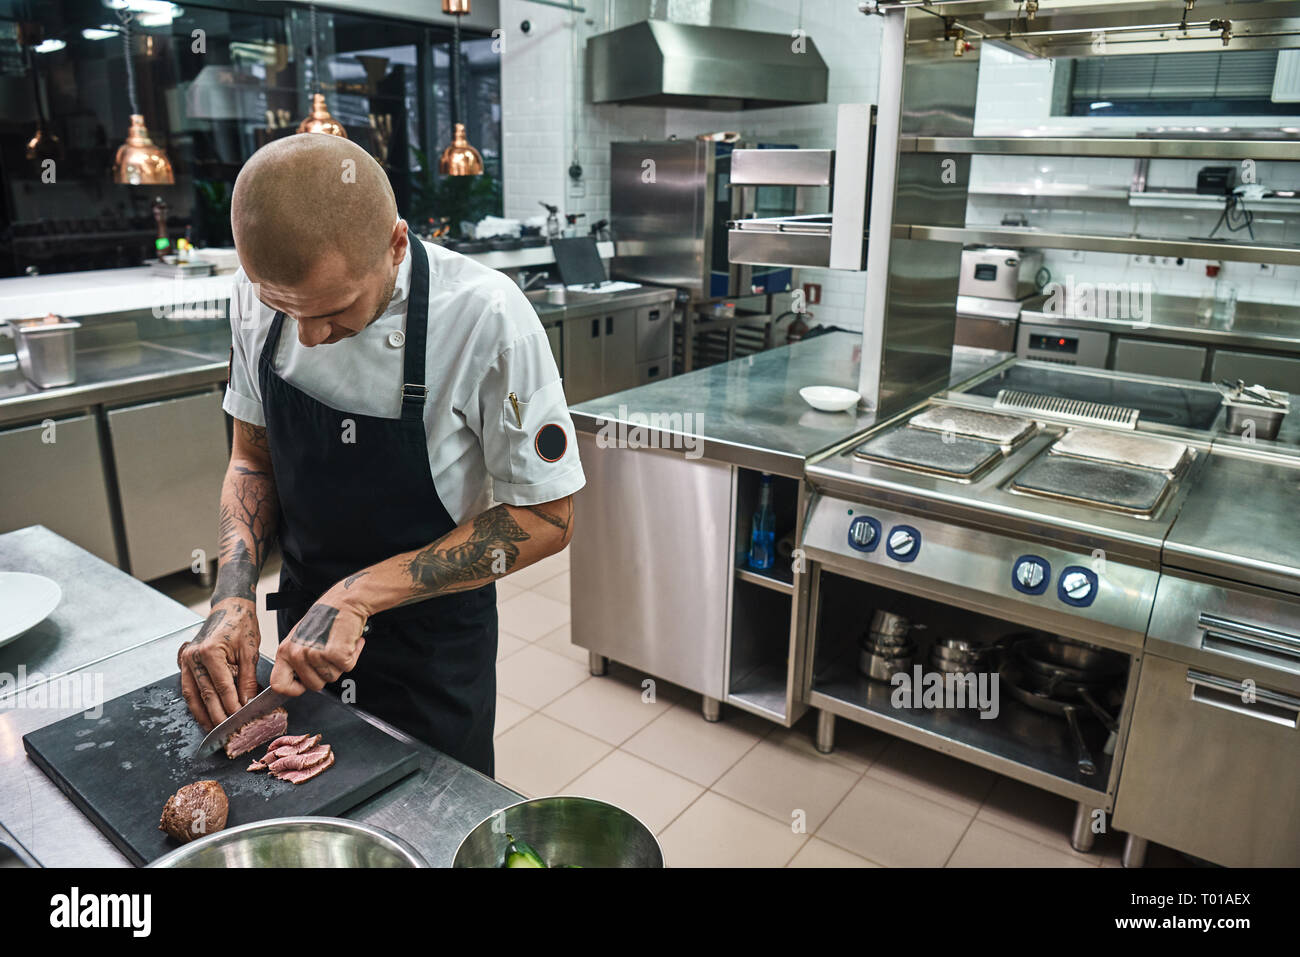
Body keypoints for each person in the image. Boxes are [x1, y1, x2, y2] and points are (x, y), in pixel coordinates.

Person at [177, 133, 583, 776]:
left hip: (432, 646)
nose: (311, 336)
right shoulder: (256, 292)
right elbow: (252, 458)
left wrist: (362, 594)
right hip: (305, 634)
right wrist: (232, 594)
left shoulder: (486, 317)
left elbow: (548, 517)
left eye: (336, 310)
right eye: (286, 308)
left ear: (396, 244)